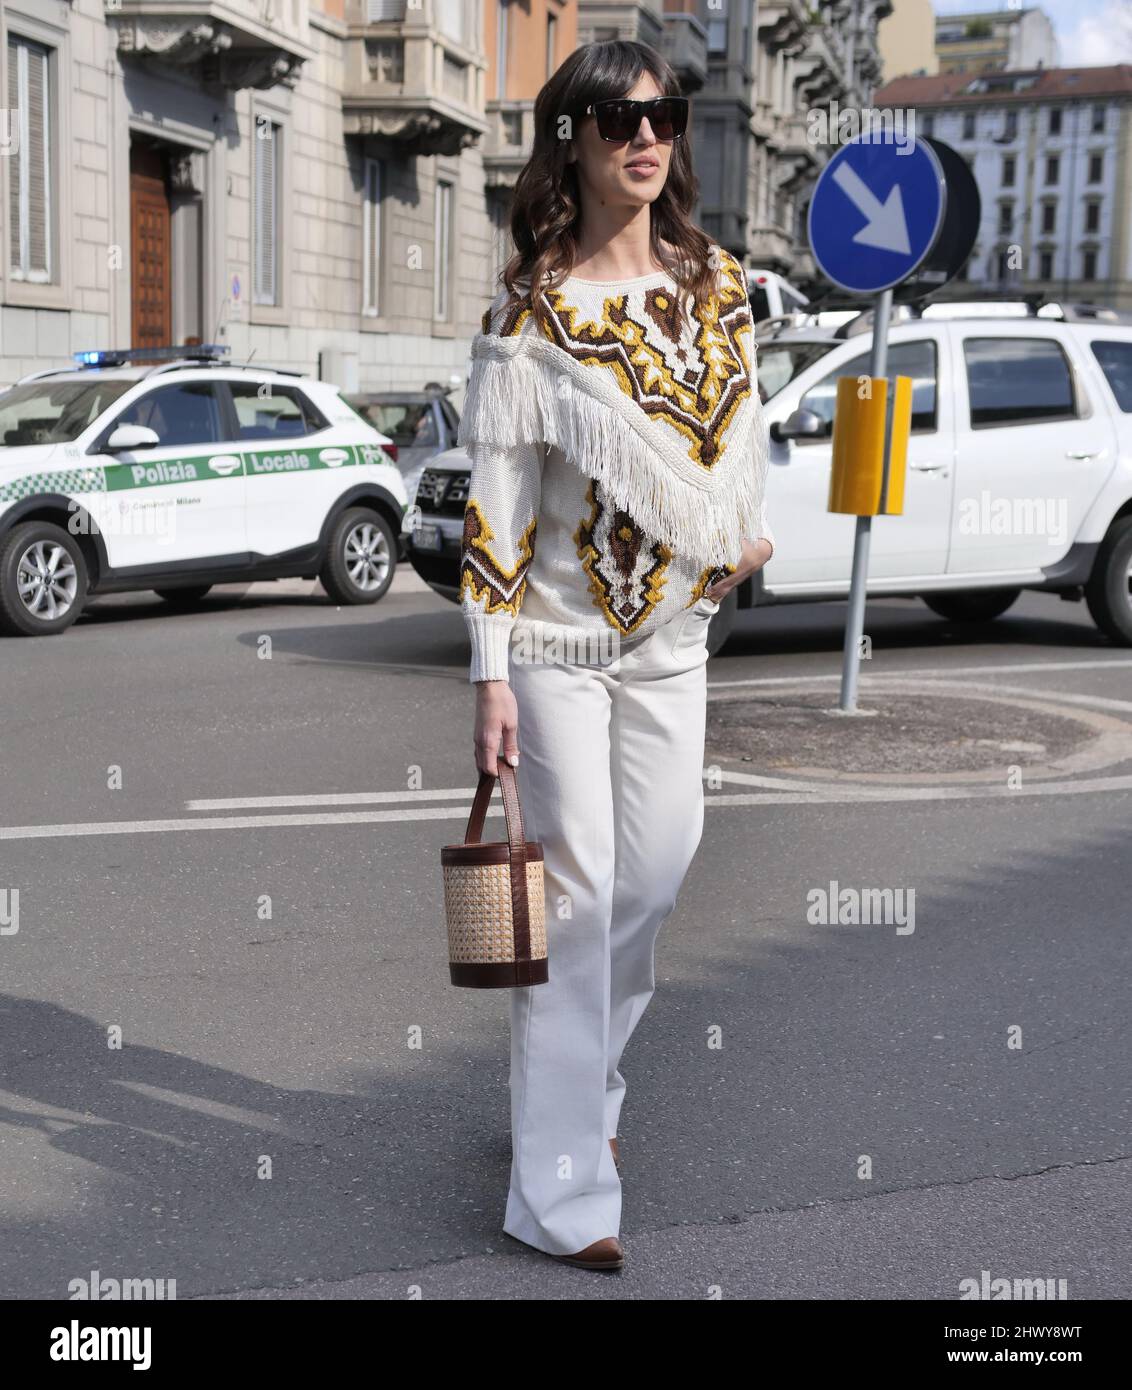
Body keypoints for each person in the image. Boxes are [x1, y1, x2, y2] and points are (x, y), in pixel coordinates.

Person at [456, 39, 774, 1272]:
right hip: (554, 645)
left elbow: (740, 436)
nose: (647, 136)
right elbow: (497, 505)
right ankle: (563, 1192)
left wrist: (737, 535)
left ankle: (582, 1095)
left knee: (653, 879)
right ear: (571, 142)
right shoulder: (528, 312)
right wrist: (489, 666)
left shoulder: (718, 286)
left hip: (673, 639)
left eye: (664, 115)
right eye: (618, 118)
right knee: (579, 902)